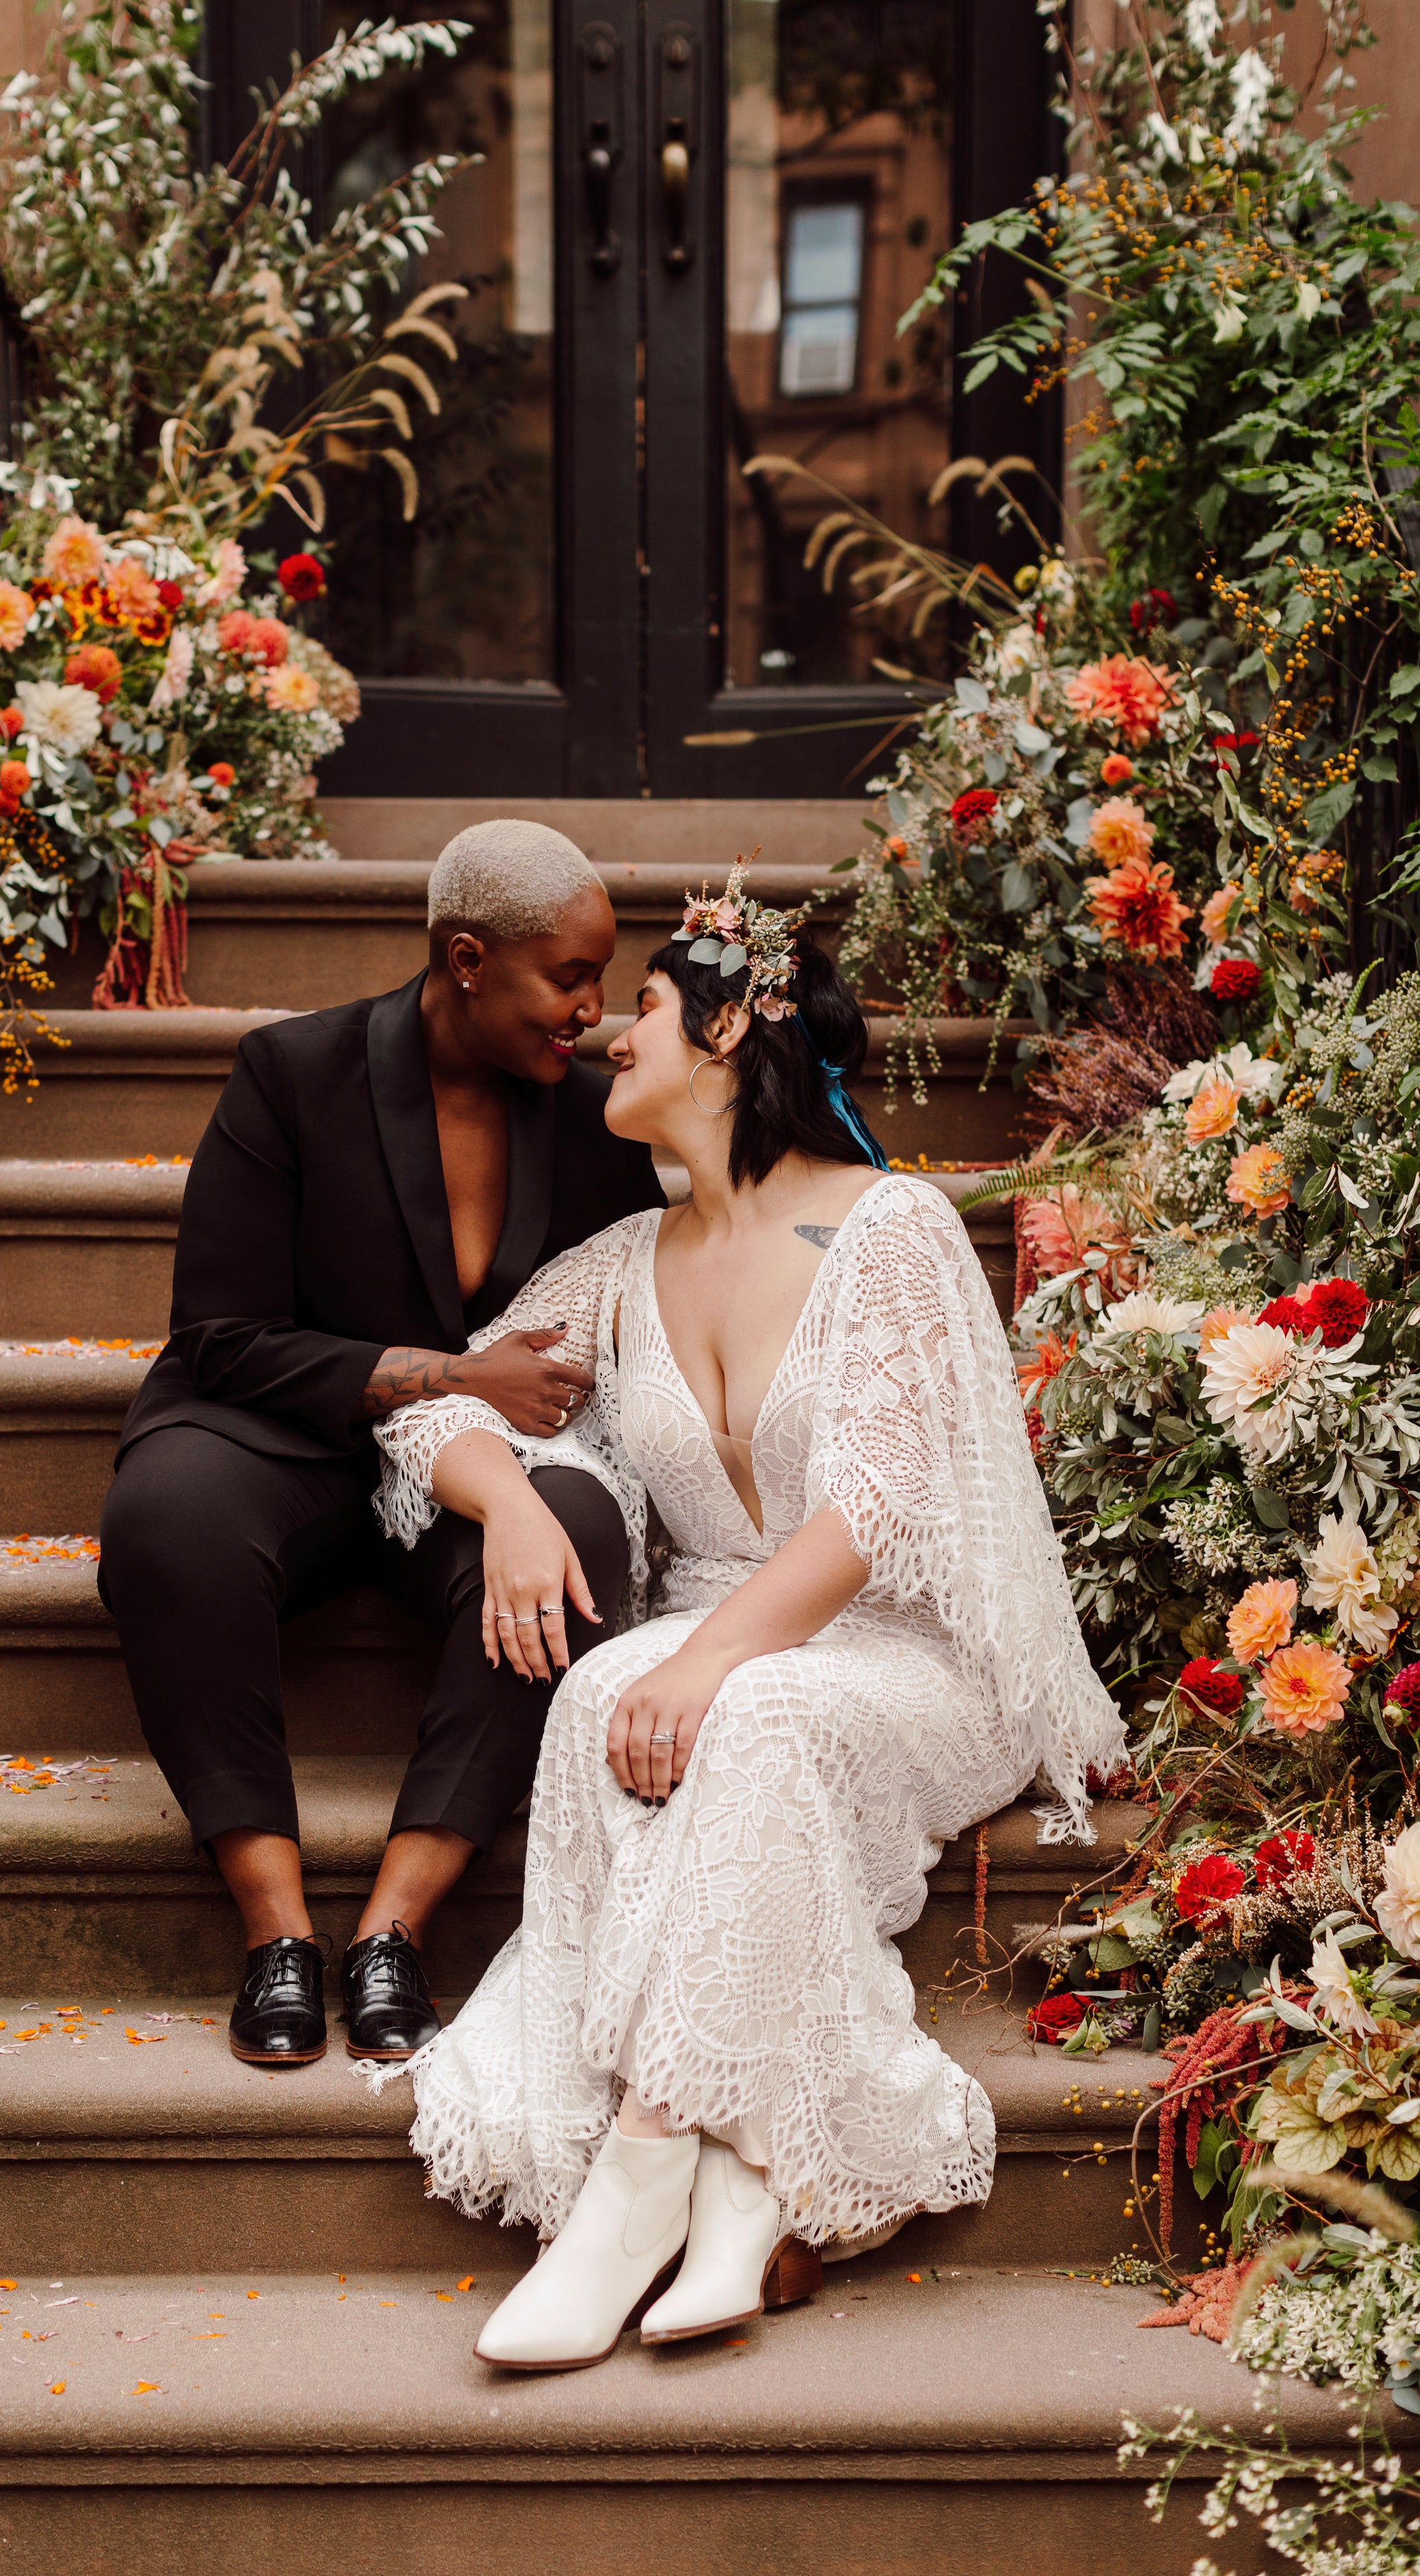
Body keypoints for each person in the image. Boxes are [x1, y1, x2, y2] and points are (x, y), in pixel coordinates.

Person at [371, 864, 1127, 2369]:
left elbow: (871, 1513)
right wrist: (511, 1498)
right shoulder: (614, 1269)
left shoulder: (885, 1228)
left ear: (725, 1033)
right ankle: (737, 2183)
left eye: (637, 1008)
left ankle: (637, 2173)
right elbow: (429, 1412)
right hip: (723, 1626)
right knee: (599, 1698)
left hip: (907, 1648)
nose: (602, 1038)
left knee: (752, 1711)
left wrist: (712, 1658)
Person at [98, 820, 666, 2070]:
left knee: (580, 1530)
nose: (595, 1011)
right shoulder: (291, 1074)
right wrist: (454, 1376)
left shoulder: (597, 1117)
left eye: (605, 979)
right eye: (567, 979)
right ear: (467, 957)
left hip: (478, 1481)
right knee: (168, 1517)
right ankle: (279, 1935)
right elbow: (220, 1335)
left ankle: (395, 1933)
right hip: (282, 1442)